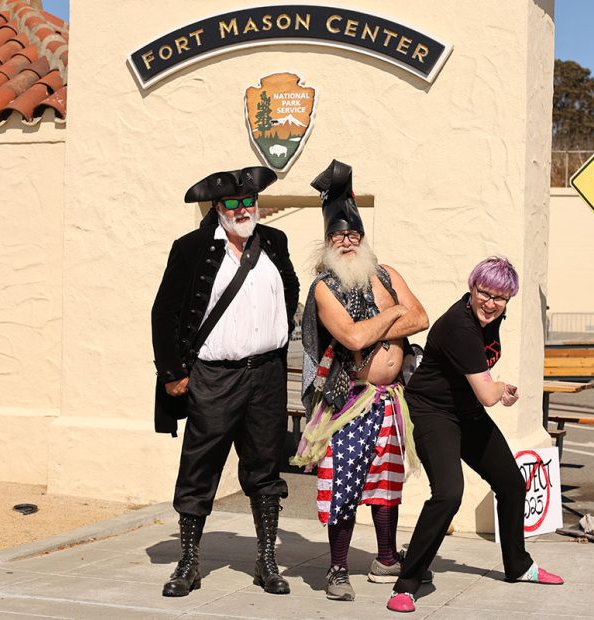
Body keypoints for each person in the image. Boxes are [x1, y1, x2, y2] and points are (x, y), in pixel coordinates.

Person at [151, 165, 300, 597]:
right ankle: (188, 562)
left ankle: (266, 558)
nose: (242, 209)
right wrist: (174, 372)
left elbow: (289, 293)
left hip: (267, 374)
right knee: (200, 468)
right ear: (217, 207)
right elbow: (165, 312)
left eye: (248, 201)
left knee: (265, 469)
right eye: (233, 203)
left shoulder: (274, 242)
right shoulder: (192, 247)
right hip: (215, 376)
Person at [386, 257, 563, 614]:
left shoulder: (490, 319)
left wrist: (498, 390)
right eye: (485, 293)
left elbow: (481, 390)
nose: (491, 303)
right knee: (449, 493)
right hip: (432, 411)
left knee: (512, 483)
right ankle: (407, 581)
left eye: (500, 297)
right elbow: (486, 393)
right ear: (472, 288)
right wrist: (498, 388)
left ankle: (519, 566)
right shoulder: (460, 327)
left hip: (465, 412)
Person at [291, 160, 429, 601]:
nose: (347, 242)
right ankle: (336, 569)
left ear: (363, 239)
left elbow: (422, 317)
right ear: (328, 243)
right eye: (338, 237)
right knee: (344, 482)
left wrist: (379, 322)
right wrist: (394, 315)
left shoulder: (386, 273)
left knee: (387, 482)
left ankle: (386, 559)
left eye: (353, 236)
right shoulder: (323, 287)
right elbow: (352, 337)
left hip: (392, 398)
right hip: (348, 399)